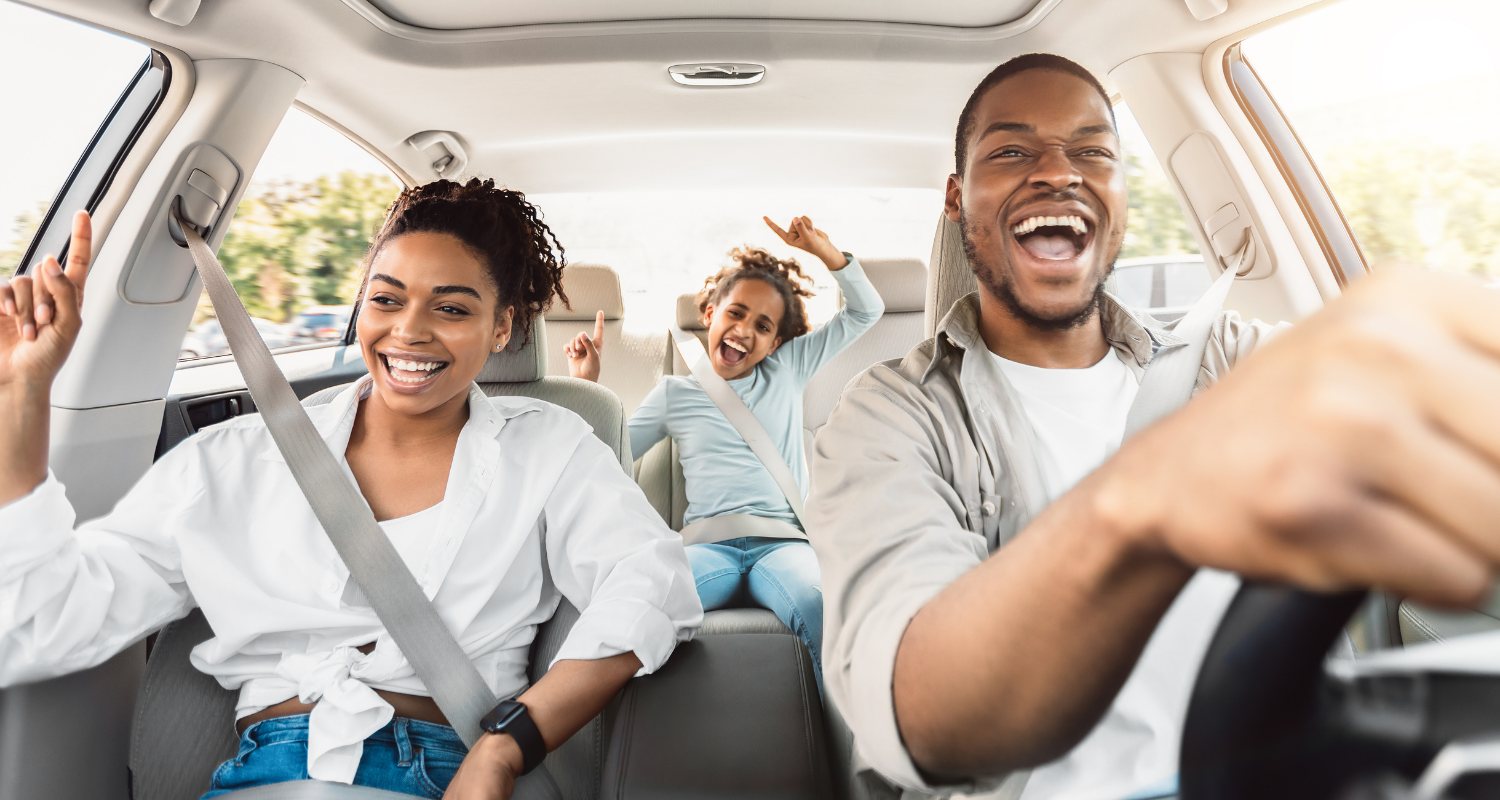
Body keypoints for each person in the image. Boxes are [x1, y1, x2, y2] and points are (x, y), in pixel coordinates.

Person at [807, 52, 1500, 800]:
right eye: (1011, 151)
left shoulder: (1232, 360)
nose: (1058, 173)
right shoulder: (889, 417)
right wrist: (1145, 502)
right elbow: (922, 713)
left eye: (1093, 152)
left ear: (1120, 192)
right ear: (956, 196)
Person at [0, 179, 703, 800]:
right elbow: (38, 621)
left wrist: (505, 744)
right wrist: (24, 394)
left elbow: (653, 582)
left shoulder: (549, 446)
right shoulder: (234, 459)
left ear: (503, 328)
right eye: (386, 299)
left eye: (452, 309)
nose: (409, 331)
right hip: (260, 773)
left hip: (443, 769)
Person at [565, 216, 884, 692]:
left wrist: (827, 253)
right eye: (735, 313)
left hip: (784, 546)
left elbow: (865, 312)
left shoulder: (788, 369)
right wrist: (584, 386)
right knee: (639, 604)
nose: (744, 331)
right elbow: (611, 462)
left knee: (822, 605)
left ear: (777, 342)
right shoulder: (675, 392)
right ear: (710, 312)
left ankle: (858, 750)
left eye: (762, 326)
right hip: (705, 549)